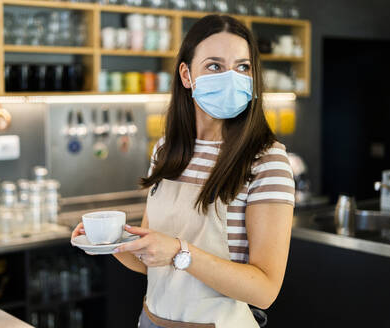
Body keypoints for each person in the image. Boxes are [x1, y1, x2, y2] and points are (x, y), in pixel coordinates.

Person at [72, 14, 295, 328]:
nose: (231, 77)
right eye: (215, 66)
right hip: (151, 321)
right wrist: (109, 243)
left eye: (242, 67)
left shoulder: (266, 161)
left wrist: (181, 252)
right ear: (187, 75)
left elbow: (265, 290)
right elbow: (152, 262)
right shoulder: (167, 149)